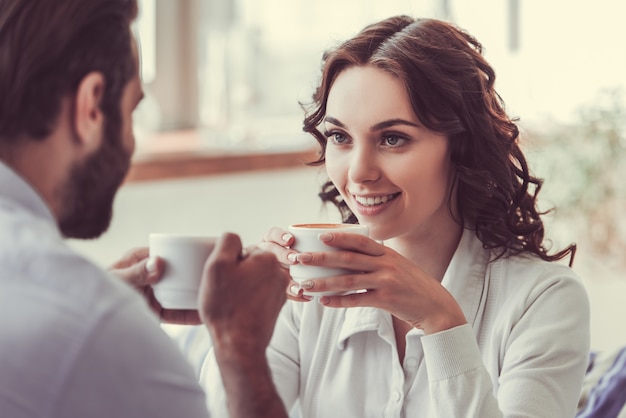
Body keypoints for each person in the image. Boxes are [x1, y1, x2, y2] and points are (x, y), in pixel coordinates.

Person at [196, 15, 591, 417]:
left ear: (461, 147)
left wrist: (441, 321)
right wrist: (236, 332)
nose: (358, 172)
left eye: (392, 138)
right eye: (340, 137)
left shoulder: (543, 300)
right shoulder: (304, 292)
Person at [0, 0, 289, 417]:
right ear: (92, 105)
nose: (132, 144)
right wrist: (239, 348)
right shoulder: (97, 326)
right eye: (134, 109)